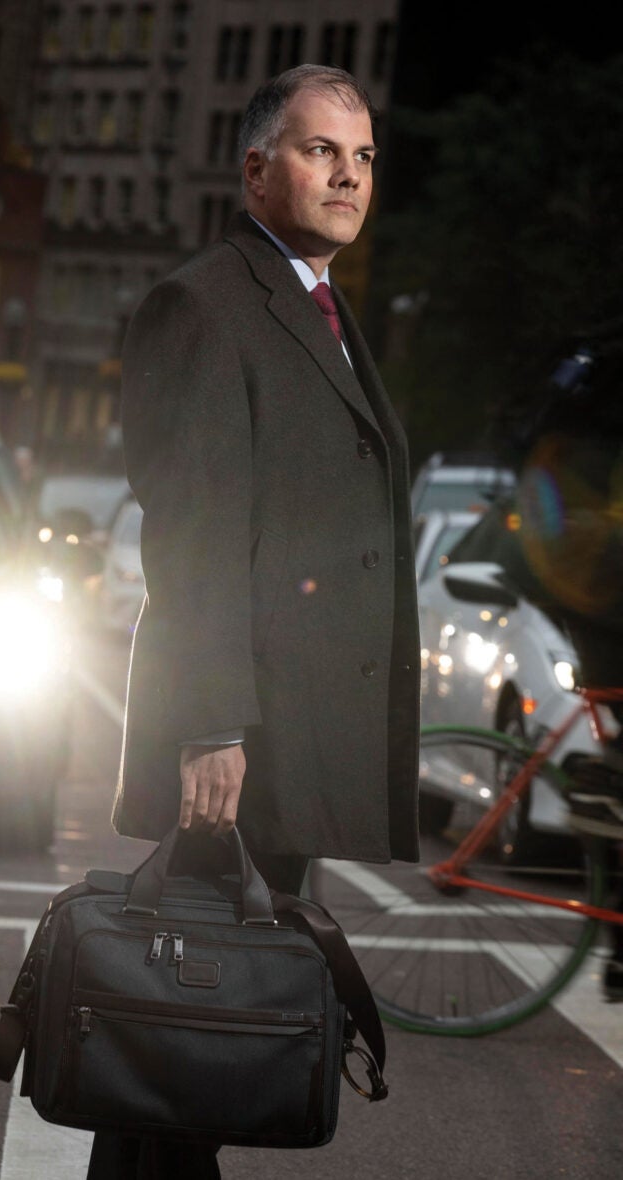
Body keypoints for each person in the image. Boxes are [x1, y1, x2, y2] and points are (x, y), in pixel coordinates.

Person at [88, 64, 421, 1179]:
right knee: (186, 1012)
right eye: (320, 149)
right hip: (245, 732)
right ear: (254, 169)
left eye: (363, 156)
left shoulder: (317, 306)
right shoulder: (206, 303)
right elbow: (192, 532)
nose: (347, 174)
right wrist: (212, 718)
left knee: (199, 1024)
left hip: (292, 726)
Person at [494, 332, 623, 999]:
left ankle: (603, 784)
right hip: (583, 558)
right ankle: (599, 782)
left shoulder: (592, 368)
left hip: (566, 553)